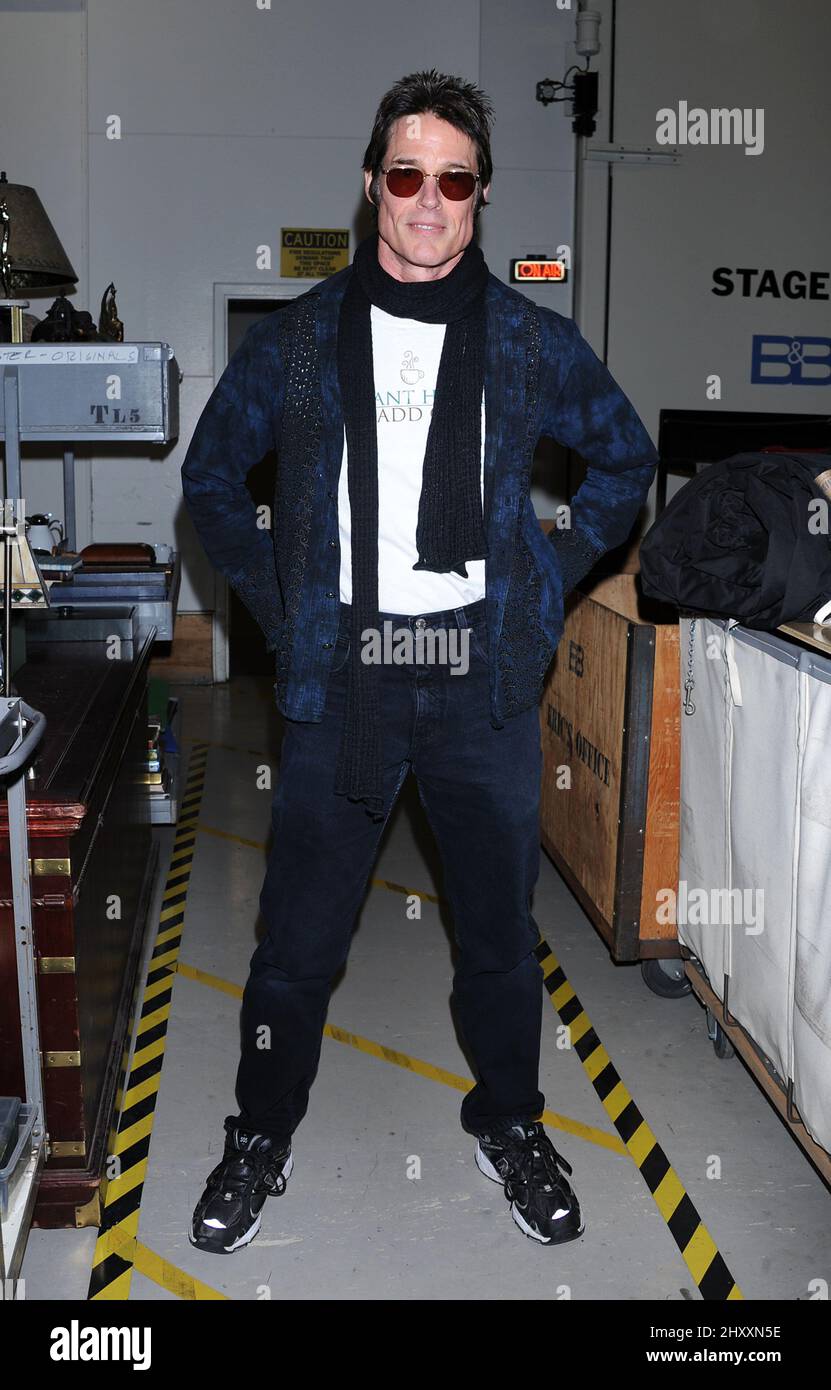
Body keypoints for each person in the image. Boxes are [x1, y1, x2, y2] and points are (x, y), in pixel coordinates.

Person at [181, 68, 658, 1254]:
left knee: (497, 937)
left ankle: (510, 1119)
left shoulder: (531, 345)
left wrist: (545, 579)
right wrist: (290, 610)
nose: (429, 199)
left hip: (479, 688)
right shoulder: (297, 345)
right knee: (297, 942)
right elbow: (209, 486)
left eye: (455, 179)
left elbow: (623, 460)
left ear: (481, 196)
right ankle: (259, 1135)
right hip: (342, 676)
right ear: (371, 189)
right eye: (408, 175)